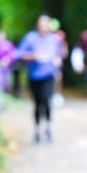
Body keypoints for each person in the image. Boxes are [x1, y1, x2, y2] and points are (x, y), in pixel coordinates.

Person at [17, 15, 65, 144]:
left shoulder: (55, 39)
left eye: (46, 23)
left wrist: (58, 61)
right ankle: (37, 128)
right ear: (37, 25)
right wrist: (33, 56)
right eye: (41, 23)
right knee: (38, 103)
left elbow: (59, 54)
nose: (44, 26)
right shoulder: (30, 37)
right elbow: (18, 53)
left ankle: (48, 127)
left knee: (46, 100)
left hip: (48, 74)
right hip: (33, 76)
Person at [50, 18, 68, 108]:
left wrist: (61, 57)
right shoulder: (46, 36)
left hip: (57, 60)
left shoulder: (60, 35)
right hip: (48, 61)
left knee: (58, 77)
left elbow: (64, 47)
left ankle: (57, 95)